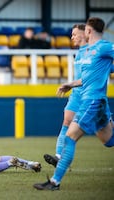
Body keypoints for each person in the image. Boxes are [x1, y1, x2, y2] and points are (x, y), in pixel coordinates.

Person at [33, 17, 114, 191]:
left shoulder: (105, 47)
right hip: (95, 101)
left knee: (70, 137)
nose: (80, 33)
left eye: (84, 30)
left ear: (89, 31)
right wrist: (70, 85)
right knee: (109, 141)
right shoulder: (88, 52)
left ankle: (54, 182)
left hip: (92, 101)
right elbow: (87, 77)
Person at [43, 24, 87, 167]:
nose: (72, 37)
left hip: (91, 96)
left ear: (86, 33)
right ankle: (58, 157)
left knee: (107, 137)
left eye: (75, 34)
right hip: (76, 94)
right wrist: (72, 86)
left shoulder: (96, 51)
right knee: (66, 123)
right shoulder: (80, 52)